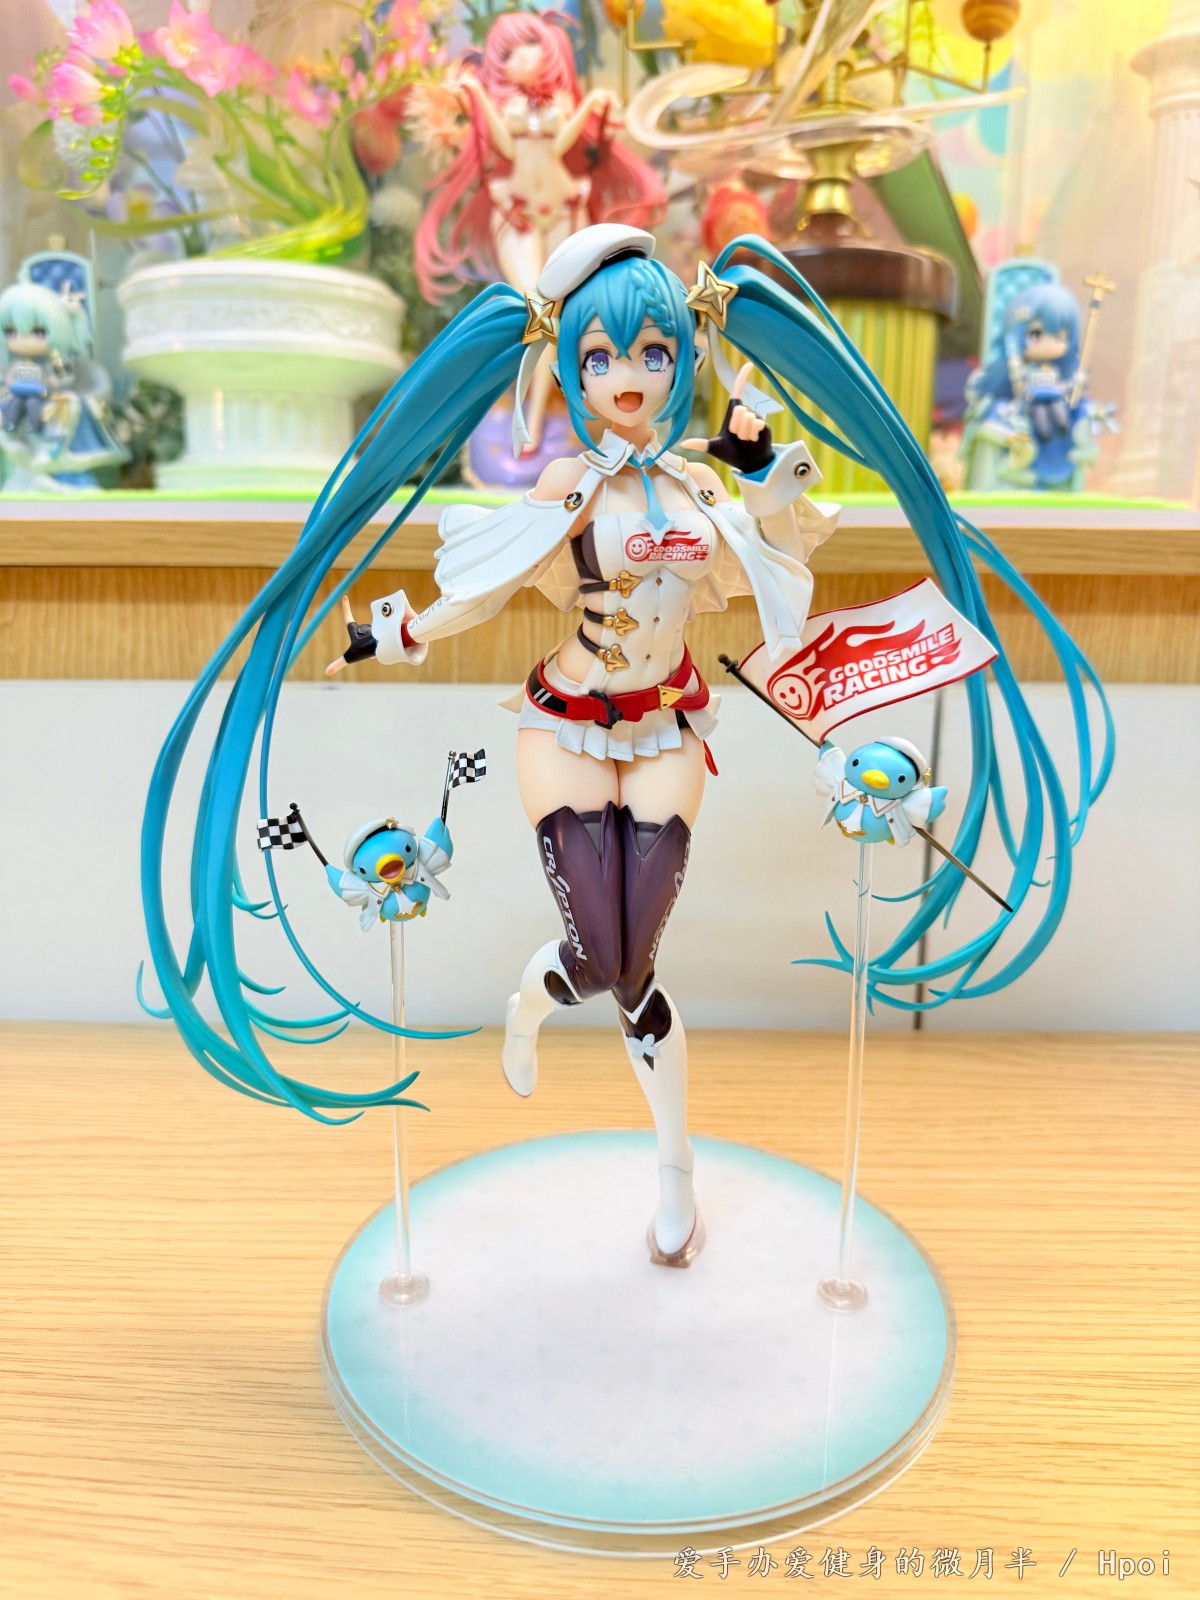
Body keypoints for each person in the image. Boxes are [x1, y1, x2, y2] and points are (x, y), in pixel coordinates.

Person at [140, 224, 1111, 1263]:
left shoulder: (702, 485)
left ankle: (668, 1159)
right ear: (571, 371)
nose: (628, 376)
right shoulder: (570, 483)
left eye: (652, 351)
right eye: (600, 357)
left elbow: (778, 570)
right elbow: (488, 585)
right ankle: (540, 1011)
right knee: (610, 954)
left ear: (684, 358)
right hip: (565, 721)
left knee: (628, 959)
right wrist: (395, 632)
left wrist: (768, 482)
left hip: (668, 724)